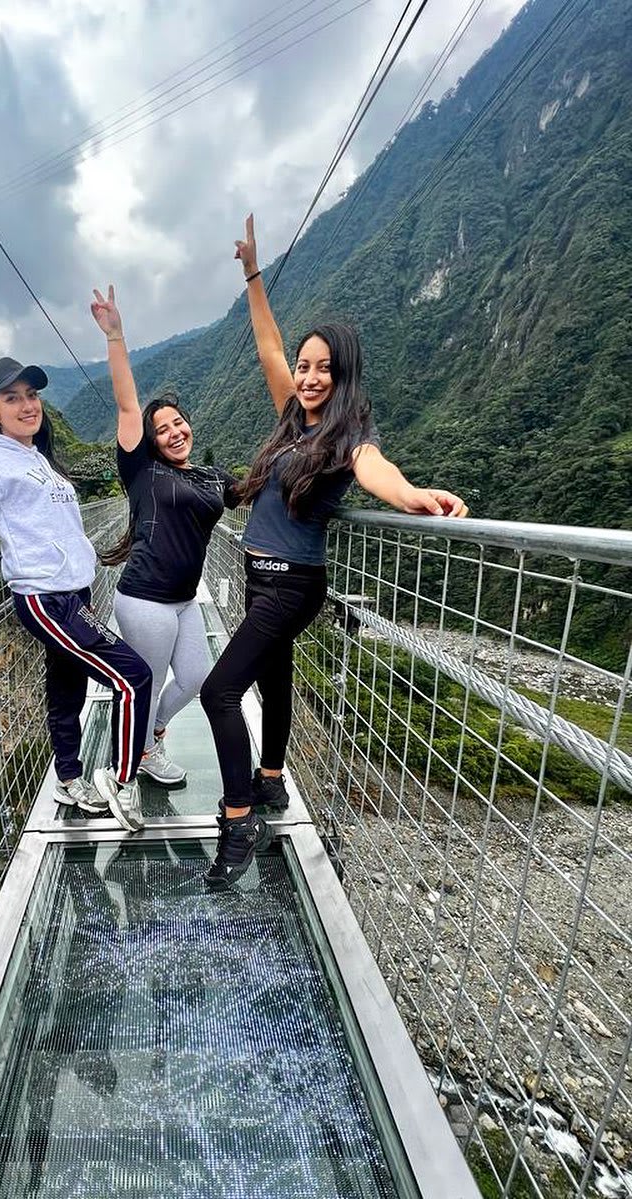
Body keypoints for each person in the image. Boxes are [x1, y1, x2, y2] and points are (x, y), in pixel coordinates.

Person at [201, 216, 469, 888]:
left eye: (323, 367)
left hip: (293, 582)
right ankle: (268, 781)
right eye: (305, 365)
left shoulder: (351, 431)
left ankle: (239, 820)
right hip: (259, 575)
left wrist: (412, 496)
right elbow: (266, 344)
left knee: (219, 689)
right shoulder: (293, 417)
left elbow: (376, 468)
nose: (310, 376)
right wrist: (252, 273)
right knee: (275, 677)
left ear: (343, 372)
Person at [0, 356, 152, 833]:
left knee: (67, 689)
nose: (27, 406)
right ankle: (122, 779)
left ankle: (68, 778)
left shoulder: (37, 458)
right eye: (13, 398)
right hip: (45, 597)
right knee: (132, 676)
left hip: (75, 592)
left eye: (31, 396)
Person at [90, 285, 241, 787]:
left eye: (180, 423)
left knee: (196, 678)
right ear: (151, 441)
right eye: (163, 429)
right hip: (146, 599)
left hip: (184, 599)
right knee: (145, 685)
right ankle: (125, 773)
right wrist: (116, 336)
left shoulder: (210, 477)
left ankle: (151, 736)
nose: (174, 432)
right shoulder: (143, 473)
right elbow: (128, 407)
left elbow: (259, 489)